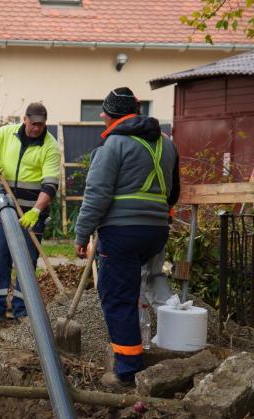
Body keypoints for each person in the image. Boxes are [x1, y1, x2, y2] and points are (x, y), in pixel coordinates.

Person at [73, 87, 180, 391]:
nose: (101, 117)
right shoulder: (167, 145)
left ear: (109, 114)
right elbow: (172, 192)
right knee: (146, 288)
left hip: (122, 233)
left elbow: (97, 195)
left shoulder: (113, 145)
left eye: (103, 113)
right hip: (156, 231)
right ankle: (171, 343)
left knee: (118, 298)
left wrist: (82, 234)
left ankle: (128, 371)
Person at [0, 103, 61, 326]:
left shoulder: (50, 146)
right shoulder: (7, 133)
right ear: (25, 120)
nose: (36, 129)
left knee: (27, 261)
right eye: (33, 124)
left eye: (41, 125)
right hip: (6, 208)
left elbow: (50, 186)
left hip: (32, 212)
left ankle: (22, 311)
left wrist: (36, 210)